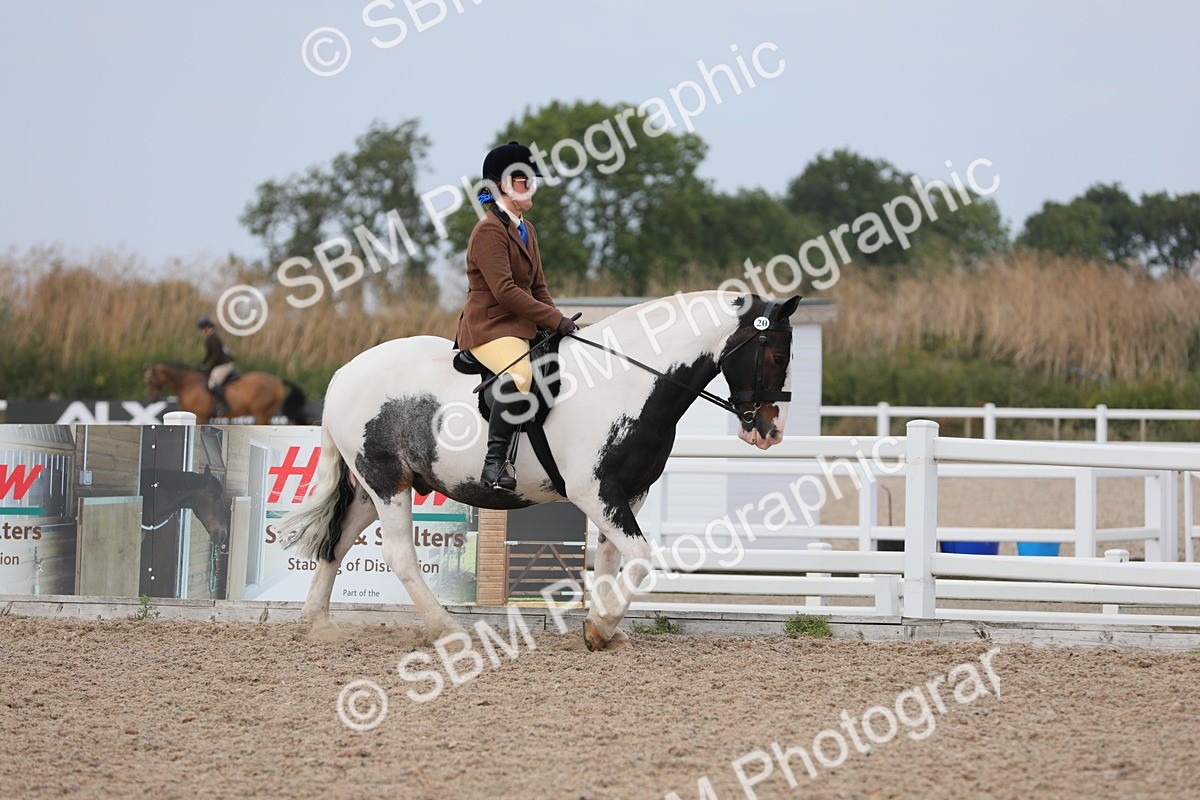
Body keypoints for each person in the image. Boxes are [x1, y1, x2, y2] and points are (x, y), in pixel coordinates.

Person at [454, 141, 578, 492]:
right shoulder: (488, 231)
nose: (531, 186)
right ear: (502, 185)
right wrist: (553, 321)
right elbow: (505, 291)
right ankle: (494, 465)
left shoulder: (527, 229)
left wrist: (560, 321)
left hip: (519, 326)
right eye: (524, 180)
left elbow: (538, 287)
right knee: (521, 373)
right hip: (488, 328)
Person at [197, 316, 235, 415]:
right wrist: (202, 363)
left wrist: (208, 366)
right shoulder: (209, 338)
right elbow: (208, 355)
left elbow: (216, 355)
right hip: (218, 364)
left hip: (224, 365)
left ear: (207, 327)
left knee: (212, 384)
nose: (202, 331)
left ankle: (225, 406)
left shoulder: (214, 338)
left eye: (202, 329)